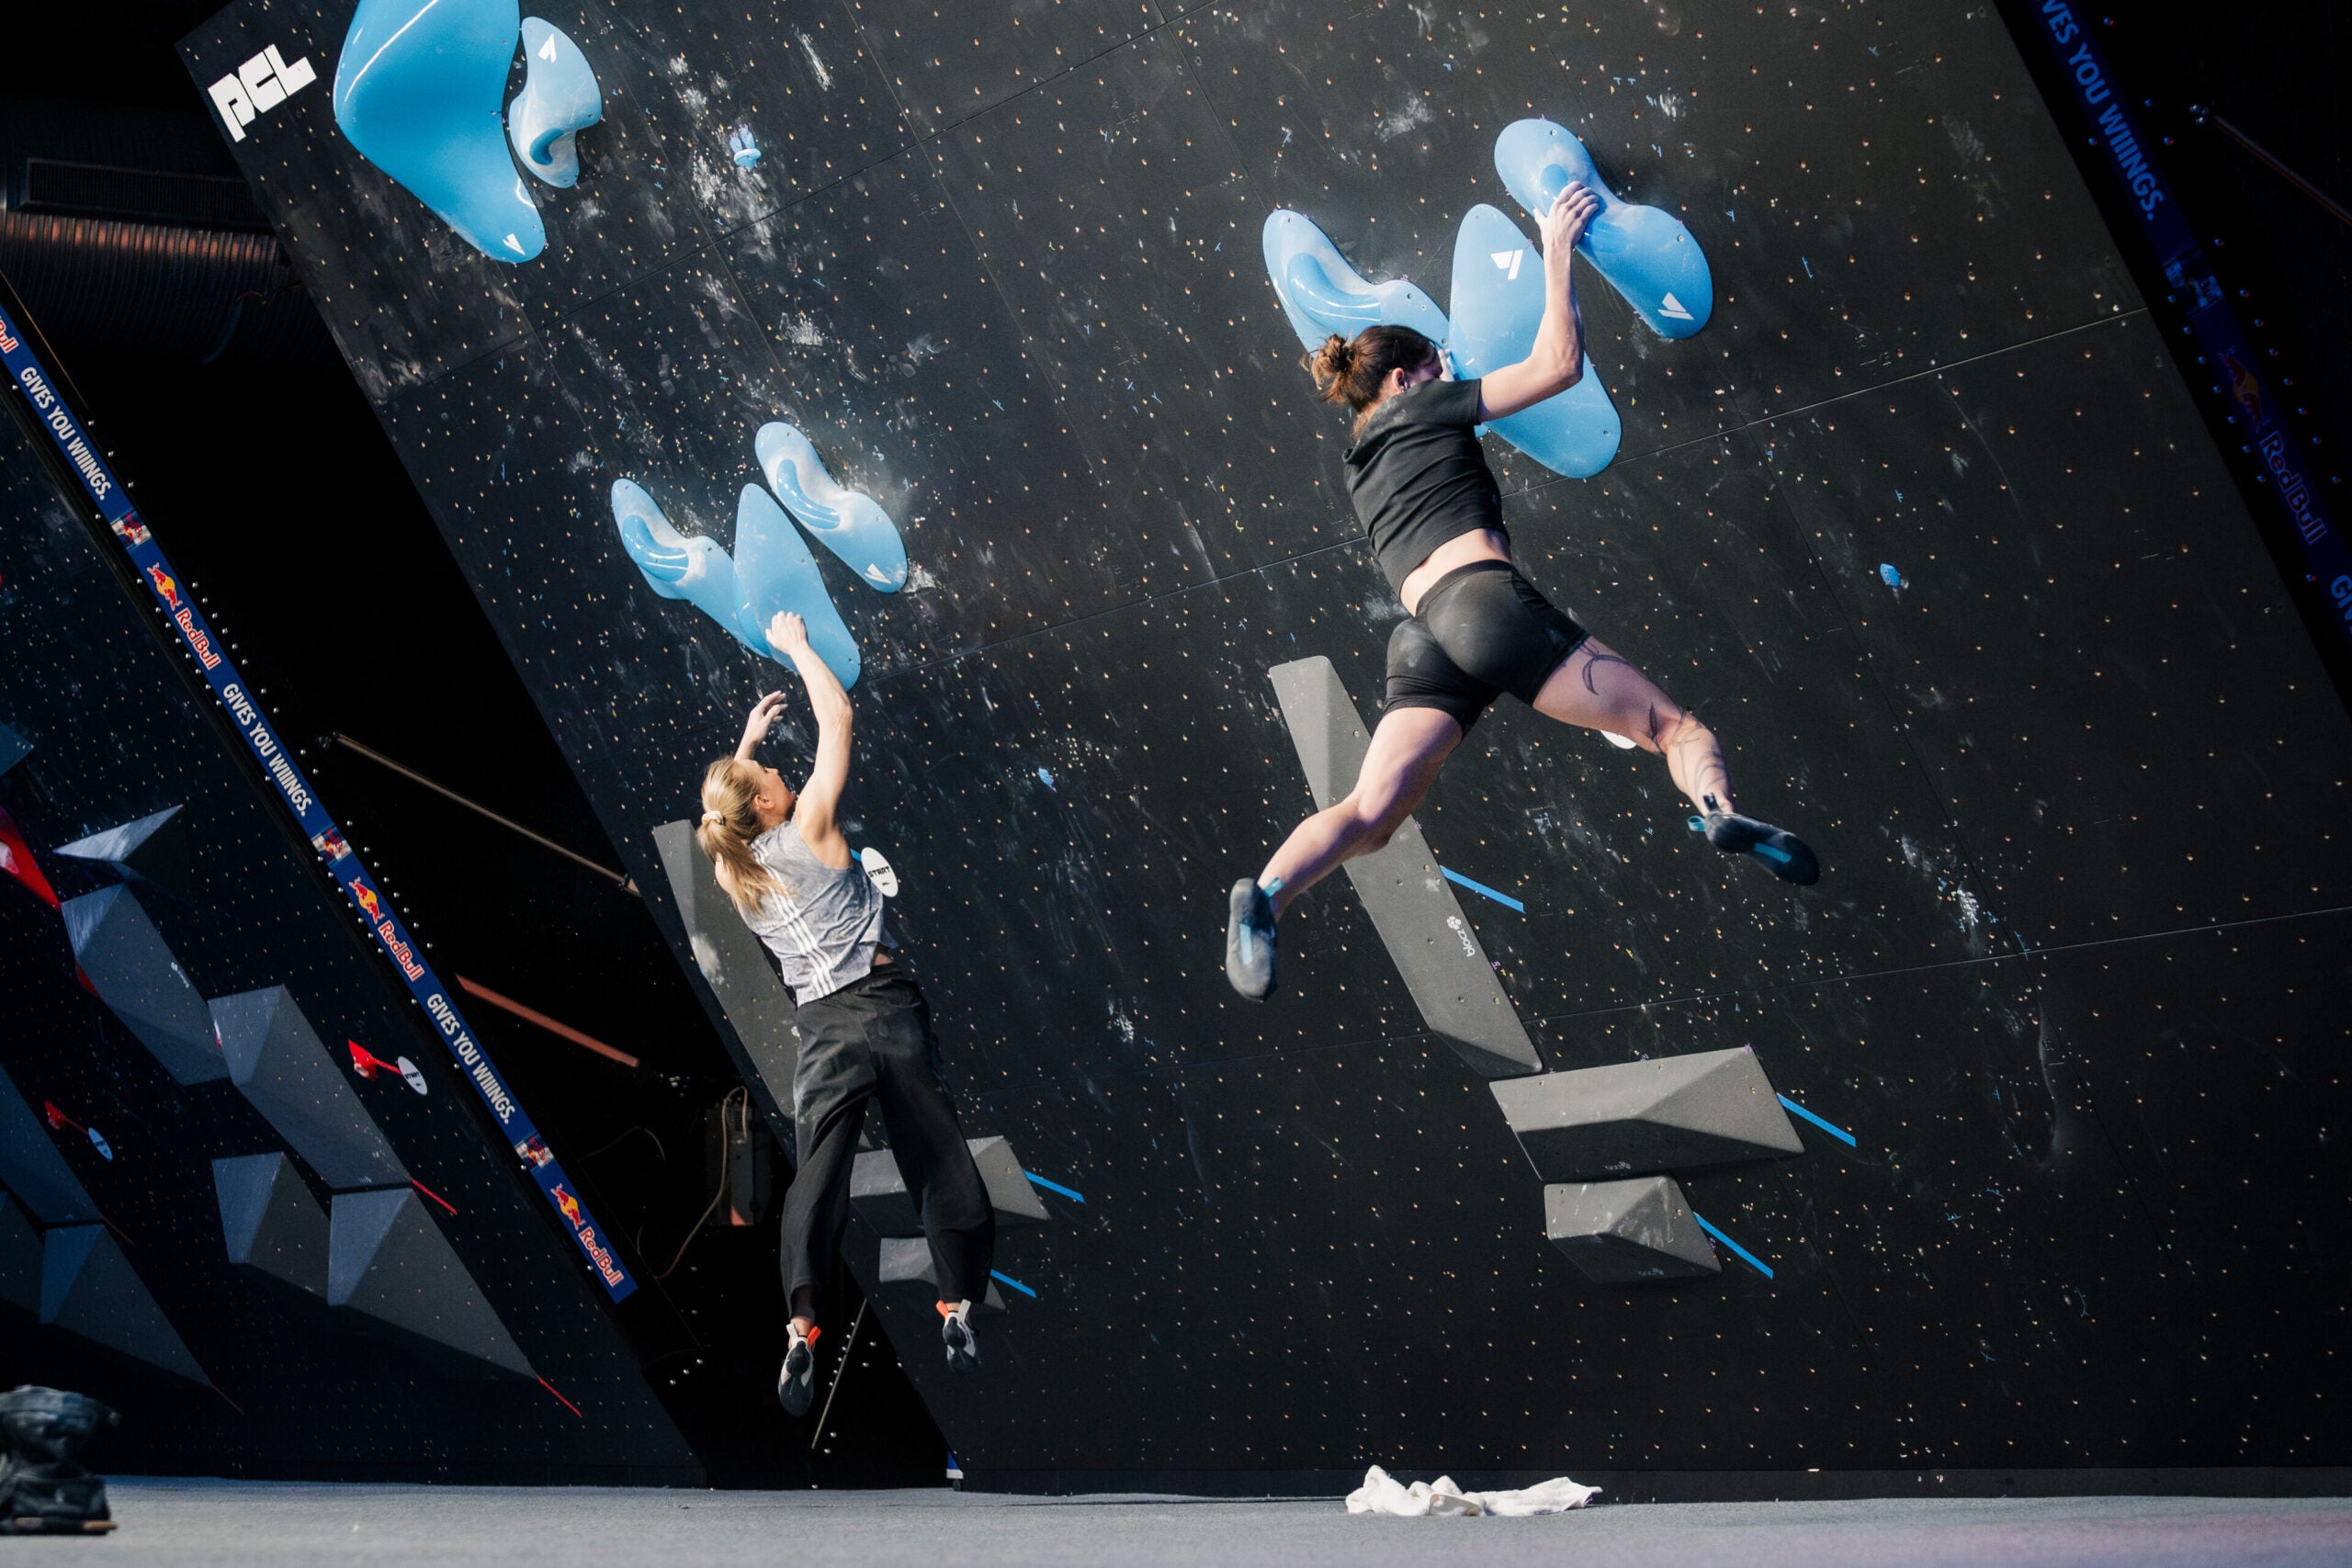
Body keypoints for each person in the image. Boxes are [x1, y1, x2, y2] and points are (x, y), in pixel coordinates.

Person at [1227, 183, 1817, 1001]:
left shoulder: (1358, 466)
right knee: (1674, 727)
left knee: (1372, 813)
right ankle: (1718, 808)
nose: (1451, 371)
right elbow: (1556, 366)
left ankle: (1265, 895)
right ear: (1404, 379)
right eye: (1436, 365)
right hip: (1485, 609)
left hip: (1424, 635)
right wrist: (1555, 249)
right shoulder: (1426, 405)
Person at [697, 611, 995, 1413]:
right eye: (768, 780)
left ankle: (801, 1323)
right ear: (765, 800)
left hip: (821, 1031)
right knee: (935, 1156)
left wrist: (748, 742)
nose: (781, 779)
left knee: (817, 1179)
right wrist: (796, 647)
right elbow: (839, 717)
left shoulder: (738, 874)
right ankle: (958, 1301)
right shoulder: (813, 828)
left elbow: (724, 811)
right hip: (884, 1007)